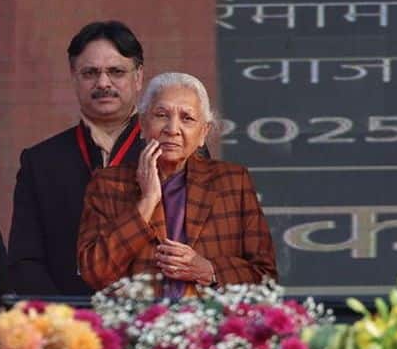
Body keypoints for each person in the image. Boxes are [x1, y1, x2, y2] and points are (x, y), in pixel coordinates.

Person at [77, 72, 276, 295]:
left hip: (209, 314)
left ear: (203, 132)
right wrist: (147, 201)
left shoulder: (232, 182)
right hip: (137, 315)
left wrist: (210, 271)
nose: (172, 129)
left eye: (187, 118)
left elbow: (265, 276)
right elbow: (94, 272)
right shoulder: (109, 184)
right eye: (161, 115)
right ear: (142, 124)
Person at [8, 20, 148, 297]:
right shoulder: (41, 162)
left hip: (157, 313)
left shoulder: (172, 151)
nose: (103, 83)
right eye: (90, 73)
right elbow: (25, 262)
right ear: (74, 77)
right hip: (71, 316)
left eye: (116, 72)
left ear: (139, 77)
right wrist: (64, 315)